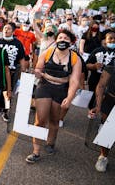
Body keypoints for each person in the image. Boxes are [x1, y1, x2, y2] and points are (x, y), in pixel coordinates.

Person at [25, 29, 81, 163]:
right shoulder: (48, 52)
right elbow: (38, 68)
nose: (62, 40)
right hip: (45, 87)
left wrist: (69, 97)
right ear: (56, 40)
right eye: (60, 37)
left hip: (61, 89)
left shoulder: (75, 58)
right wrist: (38, 73)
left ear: (71, 42)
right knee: (40, 120)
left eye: (66, 38)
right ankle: (36, 151)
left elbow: (74, 81)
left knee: (55, 120)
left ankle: (50, 143)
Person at [88, 59, 115, 172]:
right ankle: (103, 156)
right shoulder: (113, 63)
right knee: (107, 131)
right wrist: (98, 106)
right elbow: (101, 85)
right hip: (111, 101)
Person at [0, 23, 26, 122]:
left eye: (8, 29)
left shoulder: (18, 43)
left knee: (8, 92)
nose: (6, 30)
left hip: (12, 72)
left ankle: (6, 111)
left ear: (13, 31)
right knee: (0, 91)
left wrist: (23, 72)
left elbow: (22, 59)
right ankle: (1, 107)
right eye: (5, 28)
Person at [86, 31, 115, 110]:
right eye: (110, 38)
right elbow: (87, 64)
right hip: (95, 79)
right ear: (105, 40)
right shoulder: (97, 51)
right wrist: (94, 66)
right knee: (93, 98)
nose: (113, 40)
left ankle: (104, 117)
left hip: (111, 83)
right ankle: (92, 110)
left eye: (114, 39)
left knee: (108, 102)